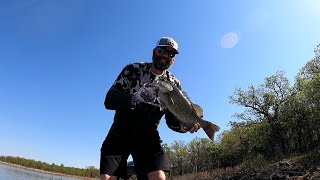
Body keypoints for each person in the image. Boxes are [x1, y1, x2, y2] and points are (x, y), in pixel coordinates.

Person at [100, 37, 201, 180]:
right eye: (162, 51)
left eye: (171, 54)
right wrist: (135, 98)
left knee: (159, 177)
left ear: (173, 60)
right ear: (154, 51)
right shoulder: (133, 69)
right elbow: (109, 100)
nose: (165, 56)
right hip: (120, 132)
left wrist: (186, 126)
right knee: (107, 178)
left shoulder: (174, 84)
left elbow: (172, 120)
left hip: (148, 137)